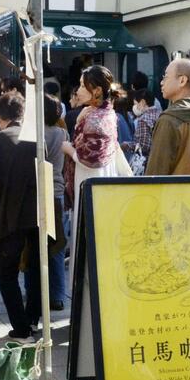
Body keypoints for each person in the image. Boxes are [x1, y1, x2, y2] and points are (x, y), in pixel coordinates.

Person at [0, 95, 41, 342]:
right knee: (37, 269)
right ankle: (33, 320)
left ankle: (21, 328)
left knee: (6, 273)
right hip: (38, 212)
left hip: (11, 214)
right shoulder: (35, 138)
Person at [62, 66, 120, 289]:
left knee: (90, 236)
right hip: (96, 180)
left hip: (91, 180)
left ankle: (88, 294)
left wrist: (69, 149)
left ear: (95, 90)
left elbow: (92, 158)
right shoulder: (103, 113)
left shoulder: (97, 118)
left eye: (81, 85)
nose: (77, 90)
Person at [145, 59, 190, 176]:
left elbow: (155, 174)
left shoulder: (169, 120)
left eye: (166, 77)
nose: (161, 82)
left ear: (182, 80)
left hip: (174, 193)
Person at [41, 94, 68, 311]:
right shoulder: (62, 133)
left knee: (36, 245)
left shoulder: (37, 134)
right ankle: (58, 295)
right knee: (57, 245)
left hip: (40, 192)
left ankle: (38, 291)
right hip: (58, 191)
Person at [131, 88, 161, 156]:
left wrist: (128, 145)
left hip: (149, 160)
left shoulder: (143, 120)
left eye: (136, 104)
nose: (135, 107)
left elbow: (144, 146)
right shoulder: (161, 114)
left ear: (142, 102)